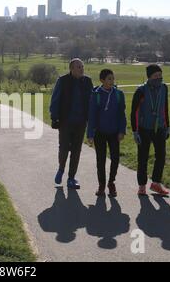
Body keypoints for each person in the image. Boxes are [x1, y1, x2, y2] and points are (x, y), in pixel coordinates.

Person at [50, 58, 94, 190]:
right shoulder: (62, 81)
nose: (81, 69)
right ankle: (61, 168)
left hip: (81, 122)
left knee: (76, 150)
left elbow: (92, 101)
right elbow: (55, 99)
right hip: (65, 121)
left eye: (82, 66)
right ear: (71, 69)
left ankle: (71, 178)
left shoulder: (87, 81)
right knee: (63, 148)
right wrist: (54, 117)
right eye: (78, 67)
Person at [131, 64, 170, 196]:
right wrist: (135, 131)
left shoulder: (164, 88)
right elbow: (134, 112)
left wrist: (167, 126)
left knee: (161, 156)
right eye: (156, 76)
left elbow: (165, 108)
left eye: (160, 75)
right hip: (144, 129)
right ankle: (142, 186)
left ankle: (156, 183)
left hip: (159, 128)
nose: (159, 78)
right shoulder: (141, 91)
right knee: (143, 158)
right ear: (149, 77)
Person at [87, 69, 127, 197]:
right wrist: (90, 135)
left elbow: (122, 114)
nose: (111, 81)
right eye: (109, 79)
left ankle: (111, 183)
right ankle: (102, 185)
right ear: (102, 80)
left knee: (115, 158)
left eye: (112, 78)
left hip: (114, 133)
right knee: (101, 160)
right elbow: (92, 116)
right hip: (100, 133)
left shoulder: (119, 94)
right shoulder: (96, 94)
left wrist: (122, 130)